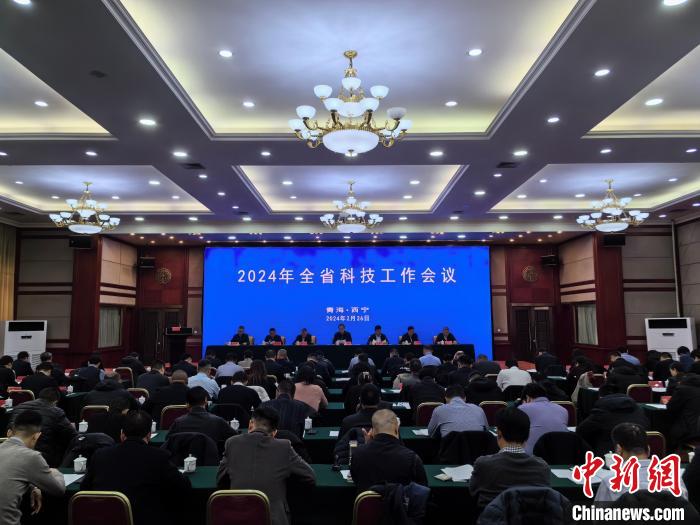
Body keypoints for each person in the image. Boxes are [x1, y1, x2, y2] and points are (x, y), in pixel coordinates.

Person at [81, 410, 192, 525]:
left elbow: (84, 488)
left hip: (104, 519)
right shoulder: (159, 457)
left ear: (122, 434)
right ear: (149, 435)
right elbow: (183, 486)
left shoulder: (100, 455)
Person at [217, 406, 316, 525]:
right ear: (274, 432)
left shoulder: (231, 443)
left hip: (236, 517)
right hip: (273, 519)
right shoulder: (284, 446)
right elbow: (310, 476)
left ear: (250, 424)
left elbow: (220, 479)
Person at [469, 408, 550, 509]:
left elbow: (472, 491)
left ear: (499, 433)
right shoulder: (542, 467)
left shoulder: (483, 464)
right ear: (528, 435)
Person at [0, 410, 65, 525]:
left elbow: (8, 475)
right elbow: (59, 490)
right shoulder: (31, 456)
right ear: (36, 436)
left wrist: (32, 486)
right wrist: (56, 473)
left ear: (10, 432)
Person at [595, 422, 688, 501]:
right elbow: (686, 512)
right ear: (648, 449)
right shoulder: (674, 479)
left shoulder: (610, 483)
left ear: (619, 449)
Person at [350, 409, 428, 492]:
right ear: (396, 429)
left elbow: (356, 480)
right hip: (399, 500)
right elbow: (422, 492)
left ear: (373, 431)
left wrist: (366, 446)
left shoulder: (357, 454)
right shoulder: (411, 458)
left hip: (366, 500)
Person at [10, 387, 77, 467]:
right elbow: (72, 435)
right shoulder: (56, 411)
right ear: (55, 401)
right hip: (44, 457)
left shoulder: (19, 407)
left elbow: (10, 428)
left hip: (14, 451)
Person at [576, 393, 649, 456]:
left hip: (606, 456)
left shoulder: (601, 412)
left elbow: (581, 431)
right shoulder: (639, 411)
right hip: (639, 453)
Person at [169, 386, 235, 444]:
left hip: (184, 454)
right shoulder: (217, 421)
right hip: (210, 454)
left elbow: (168, 441)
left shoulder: (178, 422)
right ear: (206, 400)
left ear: (187, 404)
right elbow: (235, 437)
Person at [517, 383, 569, 454]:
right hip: (562, 454)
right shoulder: (563, 410)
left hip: (532, 456)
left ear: (527, 398)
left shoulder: (523, 408)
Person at [666, 373, 700, 450]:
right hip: (695, 428)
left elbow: (670, 408)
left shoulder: (682, 389)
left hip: (687, 430)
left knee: (664, 426)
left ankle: (669, 452)